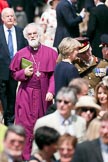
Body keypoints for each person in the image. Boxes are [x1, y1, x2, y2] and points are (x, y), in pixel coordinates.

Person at [9, 23, 58, 160]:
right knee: (25, 125)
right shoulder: (21, 54)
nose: (32, 36)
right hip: (26, 94)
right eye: (29, 34)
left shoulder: (51, 53)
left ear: (39, 35)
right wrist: (23, 73)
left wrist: (51, 91)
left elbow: (53, 75)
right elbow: (13, 74)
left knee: (41, 125)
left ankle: (40, 156)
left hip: (43, 94)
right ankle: (24, 157)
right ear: (26, 37)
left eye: (34, 33)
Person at [32, 87, 86, 155]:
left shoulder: (81, 122)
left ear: (73, 105)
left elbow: (83, 148)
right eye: (59, 101)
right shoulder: (43, 122)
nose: (62, 105)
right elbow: (36, 151)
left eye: (66, 102)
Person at [0, 7, 27, 126]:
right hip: (1, 72)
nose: (10, 18)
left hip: (15, 72)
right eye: (8, 16)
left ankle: (10, 122)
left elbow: (25, 50)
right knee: (3, 99)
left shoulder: (20, 32)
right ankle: (6, 119)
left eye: (12, 16)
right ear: (2, 19)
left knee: (12, 98)